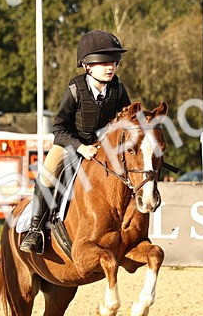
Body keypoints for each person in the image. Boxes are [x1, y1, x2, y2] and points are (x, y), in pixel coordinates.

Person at [19, 30, 132, 253]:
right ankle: (35, 230)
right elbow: (59, 128)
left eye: (114, 62)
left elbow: (127, 121)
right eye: (104, 63)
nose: (111, 67)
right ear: (88, 66)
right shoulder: (75, 90)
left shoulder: (118, 89)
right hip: (71, 143)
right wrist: (80, 147)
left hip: (102, 148)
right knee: (49, 171)